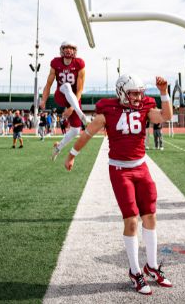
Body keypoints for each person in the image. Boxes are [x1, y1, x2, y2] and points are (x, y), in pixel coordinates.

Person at [64, 74, 173, 295]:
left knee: (150, 216)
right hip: (120, 170)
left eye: (140, 93)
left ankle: (152, 266)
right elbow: (87, 133)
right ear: (122, 92)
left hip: (141, 167)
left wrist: (163, 93)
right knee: (131, 220)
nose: (138, 97)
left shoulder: (145, 107)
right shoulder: (108, 111)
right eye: (133, 93)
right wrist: (72, 154)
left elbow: (166, 116)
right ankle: (135, 271)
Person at [41, 40, 87, 160]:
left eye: (71, 48)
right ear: (62, 50)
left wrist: (71, 108)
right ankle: (80, 113)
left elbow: (80, 90)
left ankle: (58, 147)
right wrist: (43, 100)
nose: (68, 50)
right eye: (66, 47)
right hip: (60, 94)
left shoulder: (79, 63)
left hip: (74, 98)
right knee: (66, 85)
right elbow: (48, 84)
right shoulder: (56, 62)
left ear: (74, 51)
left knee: (76, 130)